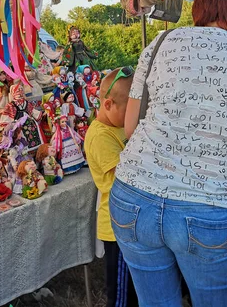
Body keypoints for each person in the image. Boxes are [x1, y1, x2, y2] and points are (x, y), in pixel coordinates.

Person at [110, 0, 227, 307]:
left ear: (198, 16)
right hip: (208, 208)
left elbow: (131, 126)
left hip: (133, 194)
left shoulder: (160, 44)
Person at [84, 67, 138, 307]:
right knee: (120, 295)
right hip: (117, 228)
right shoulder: (100, 136)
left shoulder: (119, 126)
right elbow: (126, 178)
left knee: (136, 290)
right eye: (129, 111)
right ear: (107, 104)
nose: (133, 118)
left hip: (132, 223)